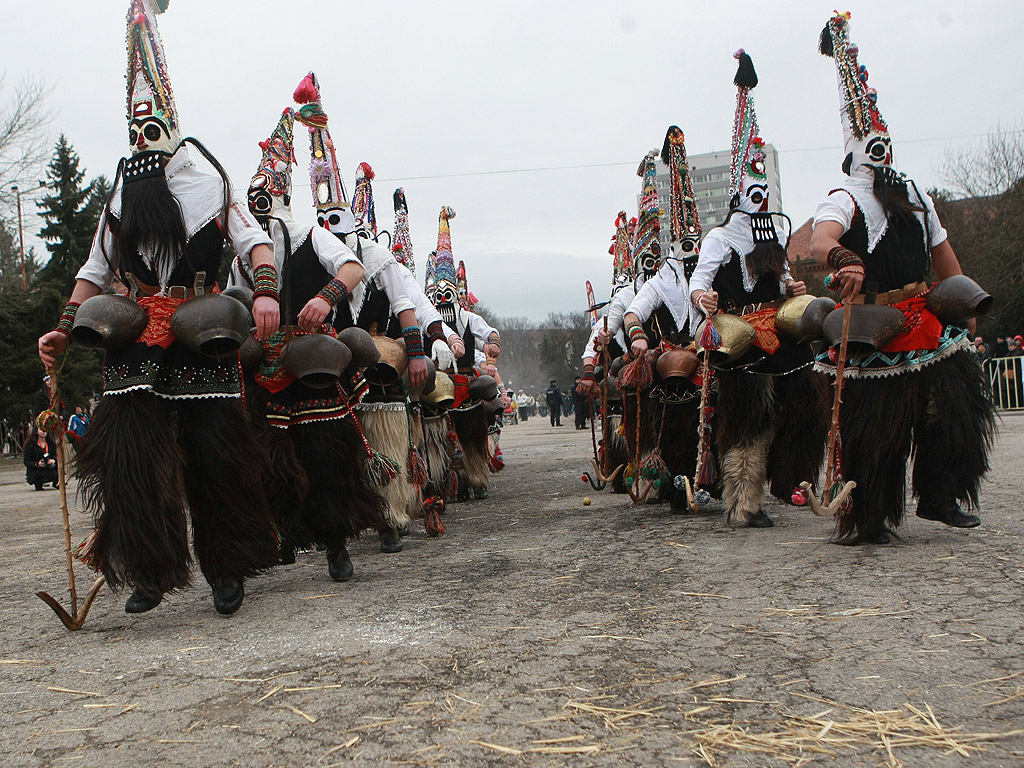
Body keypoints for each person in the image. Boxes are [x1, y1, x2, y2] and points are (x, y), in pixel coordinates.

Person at [37, 0, 280, 615]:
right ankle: (150, 568)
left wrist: (268, 289)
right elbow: (95, 267)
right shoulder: (122, 190)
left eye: (150, 132)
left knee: (214, 450)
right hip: (135, 332)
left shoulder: (211, 181)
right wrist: (65, 329)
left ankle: (227, 564)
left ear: (171, 127)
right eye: (134, 132)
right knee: (131, 457)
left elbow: (253, 240)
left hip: (203, 326)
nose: (141, 143)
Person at [809, 12, 995, 544]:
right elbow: (822, 239)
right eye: (871, 140)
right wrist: (842, 258)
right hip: (871, 320)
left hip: (923, 316)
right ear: (856, 147)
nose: (880, 149)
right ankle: (870, 516)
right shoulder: (845, 197)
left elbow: (946, 260)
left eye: (883, 139)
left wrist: (964, 311)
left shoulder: (917, 196)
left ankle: (940, 494)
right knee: (877, 428)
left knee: (953, 400)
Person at [234, 104, 388, 582]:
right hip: (267, 367)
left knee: (325, 450)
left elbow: (353, 268)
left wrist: (326, 297)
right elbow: (235, 299)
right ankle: (284, 533)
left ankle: (336, 541)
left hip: (314, 360)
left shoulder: (312, 237)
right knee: (271, 454)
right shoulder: (243, 255)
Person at [687, 55, 829, 528]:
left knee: (806, 397)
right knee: (750, 419)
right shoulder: (719, 239)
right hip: (741, 338)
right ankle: (743, 500)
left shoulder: (773, 240)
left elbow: (787, 280)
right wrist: (703, 301)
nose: (759, 202)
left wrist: (795, 286)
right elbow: (699, 284)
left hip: (778, 334)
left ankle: (793, 478)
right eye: (752, 193)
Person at [23, 425, 58, 491]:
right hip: (36, 470)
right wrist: (37, 463)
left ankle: (57, 482)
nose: (43, 432)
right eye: (41, 430)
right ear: (36, 431)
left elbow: (55, 455)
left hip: (49, 467)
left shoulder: (51, 443)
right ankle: (38, 483)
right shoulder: (30, 444)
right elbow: (26, 461)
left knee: (57, 469)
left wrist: (53, 460)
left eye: (45, 430)